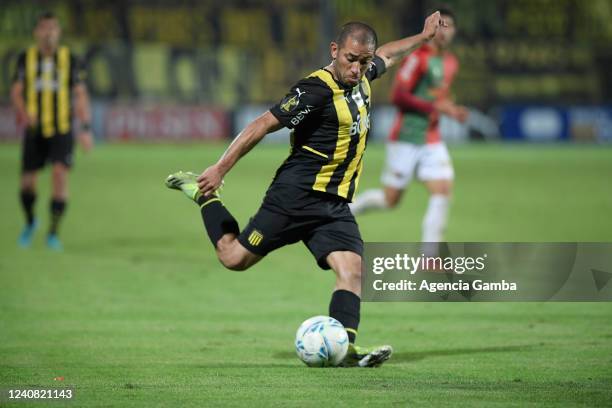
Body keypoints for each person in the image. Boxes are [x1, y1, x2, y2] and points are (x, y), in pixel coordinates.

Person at [165, 11, 445, 367]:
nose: (357, 69)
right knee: (233, 258)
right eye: (350, 60)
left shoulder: (363, 75)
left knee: (353, 270)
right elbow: (262, 124)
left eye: (363, 61)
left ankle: (343, 351)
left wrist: (422, 37)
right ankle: (205, 197)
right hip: (294, 198)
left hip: (334, 205)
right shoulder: (314, 89)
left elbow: (389, 54)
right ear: (334, 50)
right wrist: (220, 168)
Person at [349, 7, 468, 256]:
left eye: (449, 26)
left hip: (432, 139)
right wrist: (434, 105)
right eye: (440, 25)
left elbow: (437, 97)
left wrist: (452, 110)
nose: (444, 31)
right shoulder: (418, 57)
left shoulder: (450, 62)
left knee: (443, 190)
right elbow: (399, 95)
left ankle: (430, 255)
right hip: (406, 137)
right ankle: (347, 210)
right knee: (390, 199)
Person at [12, 12, 93, 251]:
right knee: (27, 184)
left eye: (53, 28)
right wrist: (24, 114)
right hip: (35, 131)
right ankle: (30, 222)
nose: (48, 33)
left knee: (59, 175)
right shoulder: (25, 58)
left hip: (62, 129)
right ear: (37, 32)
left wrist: (85, 127)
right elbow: (16, 92)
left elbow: (80, 94)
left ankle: (53, 233)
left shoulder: (70, 59)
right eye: (44, 28)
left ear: (58, 32)